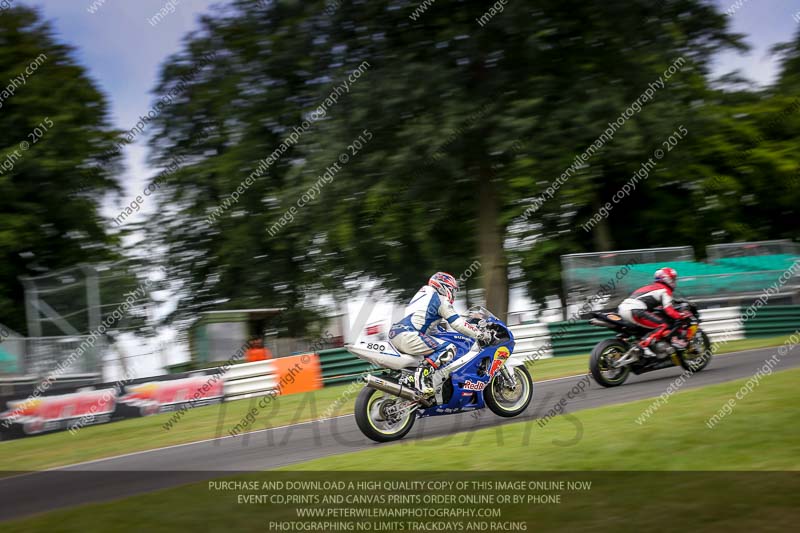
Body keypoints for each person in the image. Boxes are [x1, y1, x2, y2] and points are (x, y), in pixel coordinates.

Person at [389, 272, 491, 394]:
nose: (453, 294)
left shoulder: (422, 296)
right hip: (409, 335)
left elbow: (432, 328)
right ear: (444, 287)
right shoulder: (441, 299)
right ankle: (421, 377)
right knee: (449, 347)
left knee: (438, 346)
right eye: (452, 290)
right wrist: (479, 334)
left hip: (397, 332)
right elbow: (457, 323)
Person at [617, 267, 691, 358]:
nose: (674, 282)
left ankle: (629, 343)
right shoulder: (665, 290)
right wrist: (680, 315)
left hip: (622, 309)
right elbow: (669, 311)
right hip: (635, 310)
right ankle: (643, 346)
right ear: (667, 279)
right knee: (663, 325)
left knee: (645, 327)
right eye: (673, 279)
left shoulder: (650, 287)